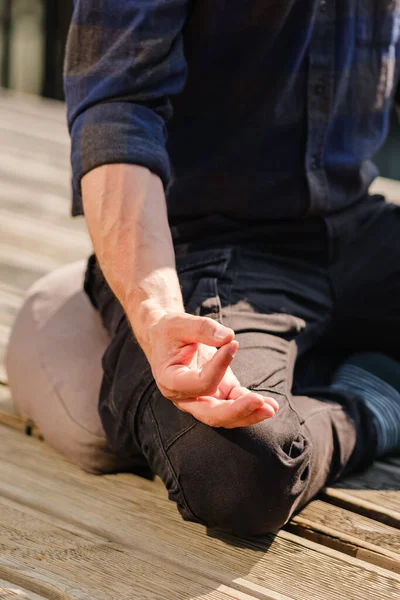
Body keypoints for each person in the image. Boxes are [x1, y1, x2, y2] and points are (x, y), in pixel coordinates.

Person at [61, 1, 400, 534]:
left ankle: (315, 361)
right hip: (203, 245)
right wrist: (156, 313)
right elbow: (118, 108)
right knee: (241, 464)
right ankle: (374, 398)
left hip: (352, 225)